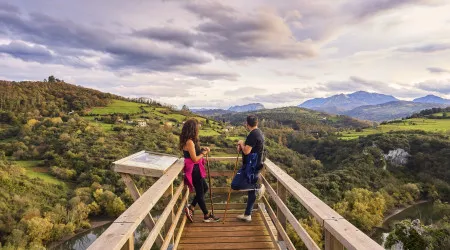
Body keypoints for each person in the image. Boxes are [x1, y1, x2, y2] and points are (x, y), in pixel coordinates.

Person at [180, 118, 220, 223]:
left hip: (196, 169)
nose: (198, 129)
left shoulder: (190, 141)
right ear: (193, 129)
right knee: (200, 192)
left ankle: (192, 207)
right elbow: (194, 159)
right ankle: (206, 215)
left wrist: (202, 149)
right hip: (194, 170)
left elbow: (195, 153)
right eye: (197, 127)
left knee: (204, 188)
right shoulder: (189, 142)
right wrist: (203, 154)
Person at [231, 115, 266, 222]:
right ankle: (247, 214)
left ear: (247, 124)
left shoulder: (253, 134)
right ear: (257, 123)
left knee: (235, 185)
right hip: (256, 165)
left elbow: (247, 151)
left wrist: (241, 143)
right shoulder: (259, 132)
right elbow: (250, 148)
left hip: (251, 166)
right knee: (251, 190)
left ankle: (258, 187)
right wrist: (242, 145)